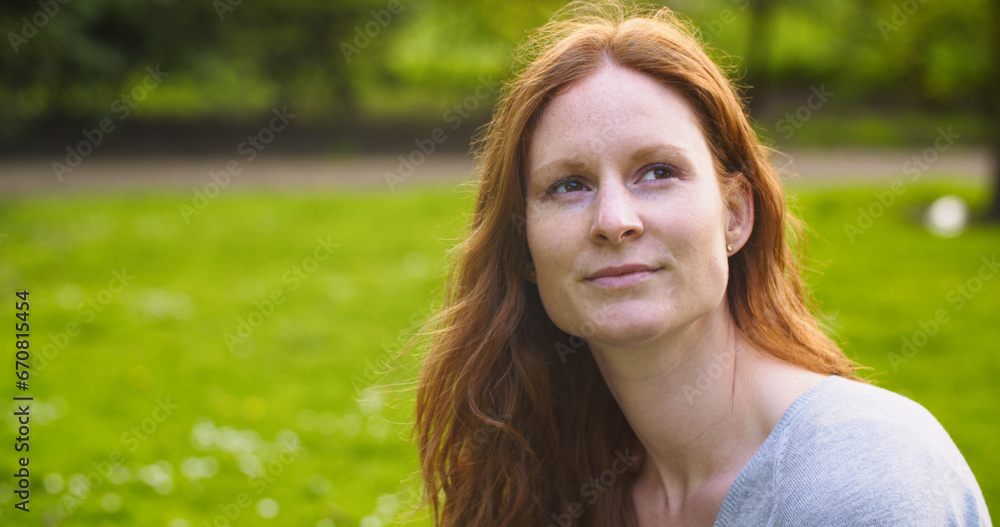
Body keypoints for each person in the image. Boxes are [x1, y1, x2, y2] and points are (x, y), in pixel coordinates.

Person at [411, 2, 992, 525]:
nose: (614, 220)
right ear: (526, 249)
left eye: (658, 171)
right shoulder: (552, 482)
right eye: (568, 185)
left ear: (736, 215)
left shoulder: (860, 477)